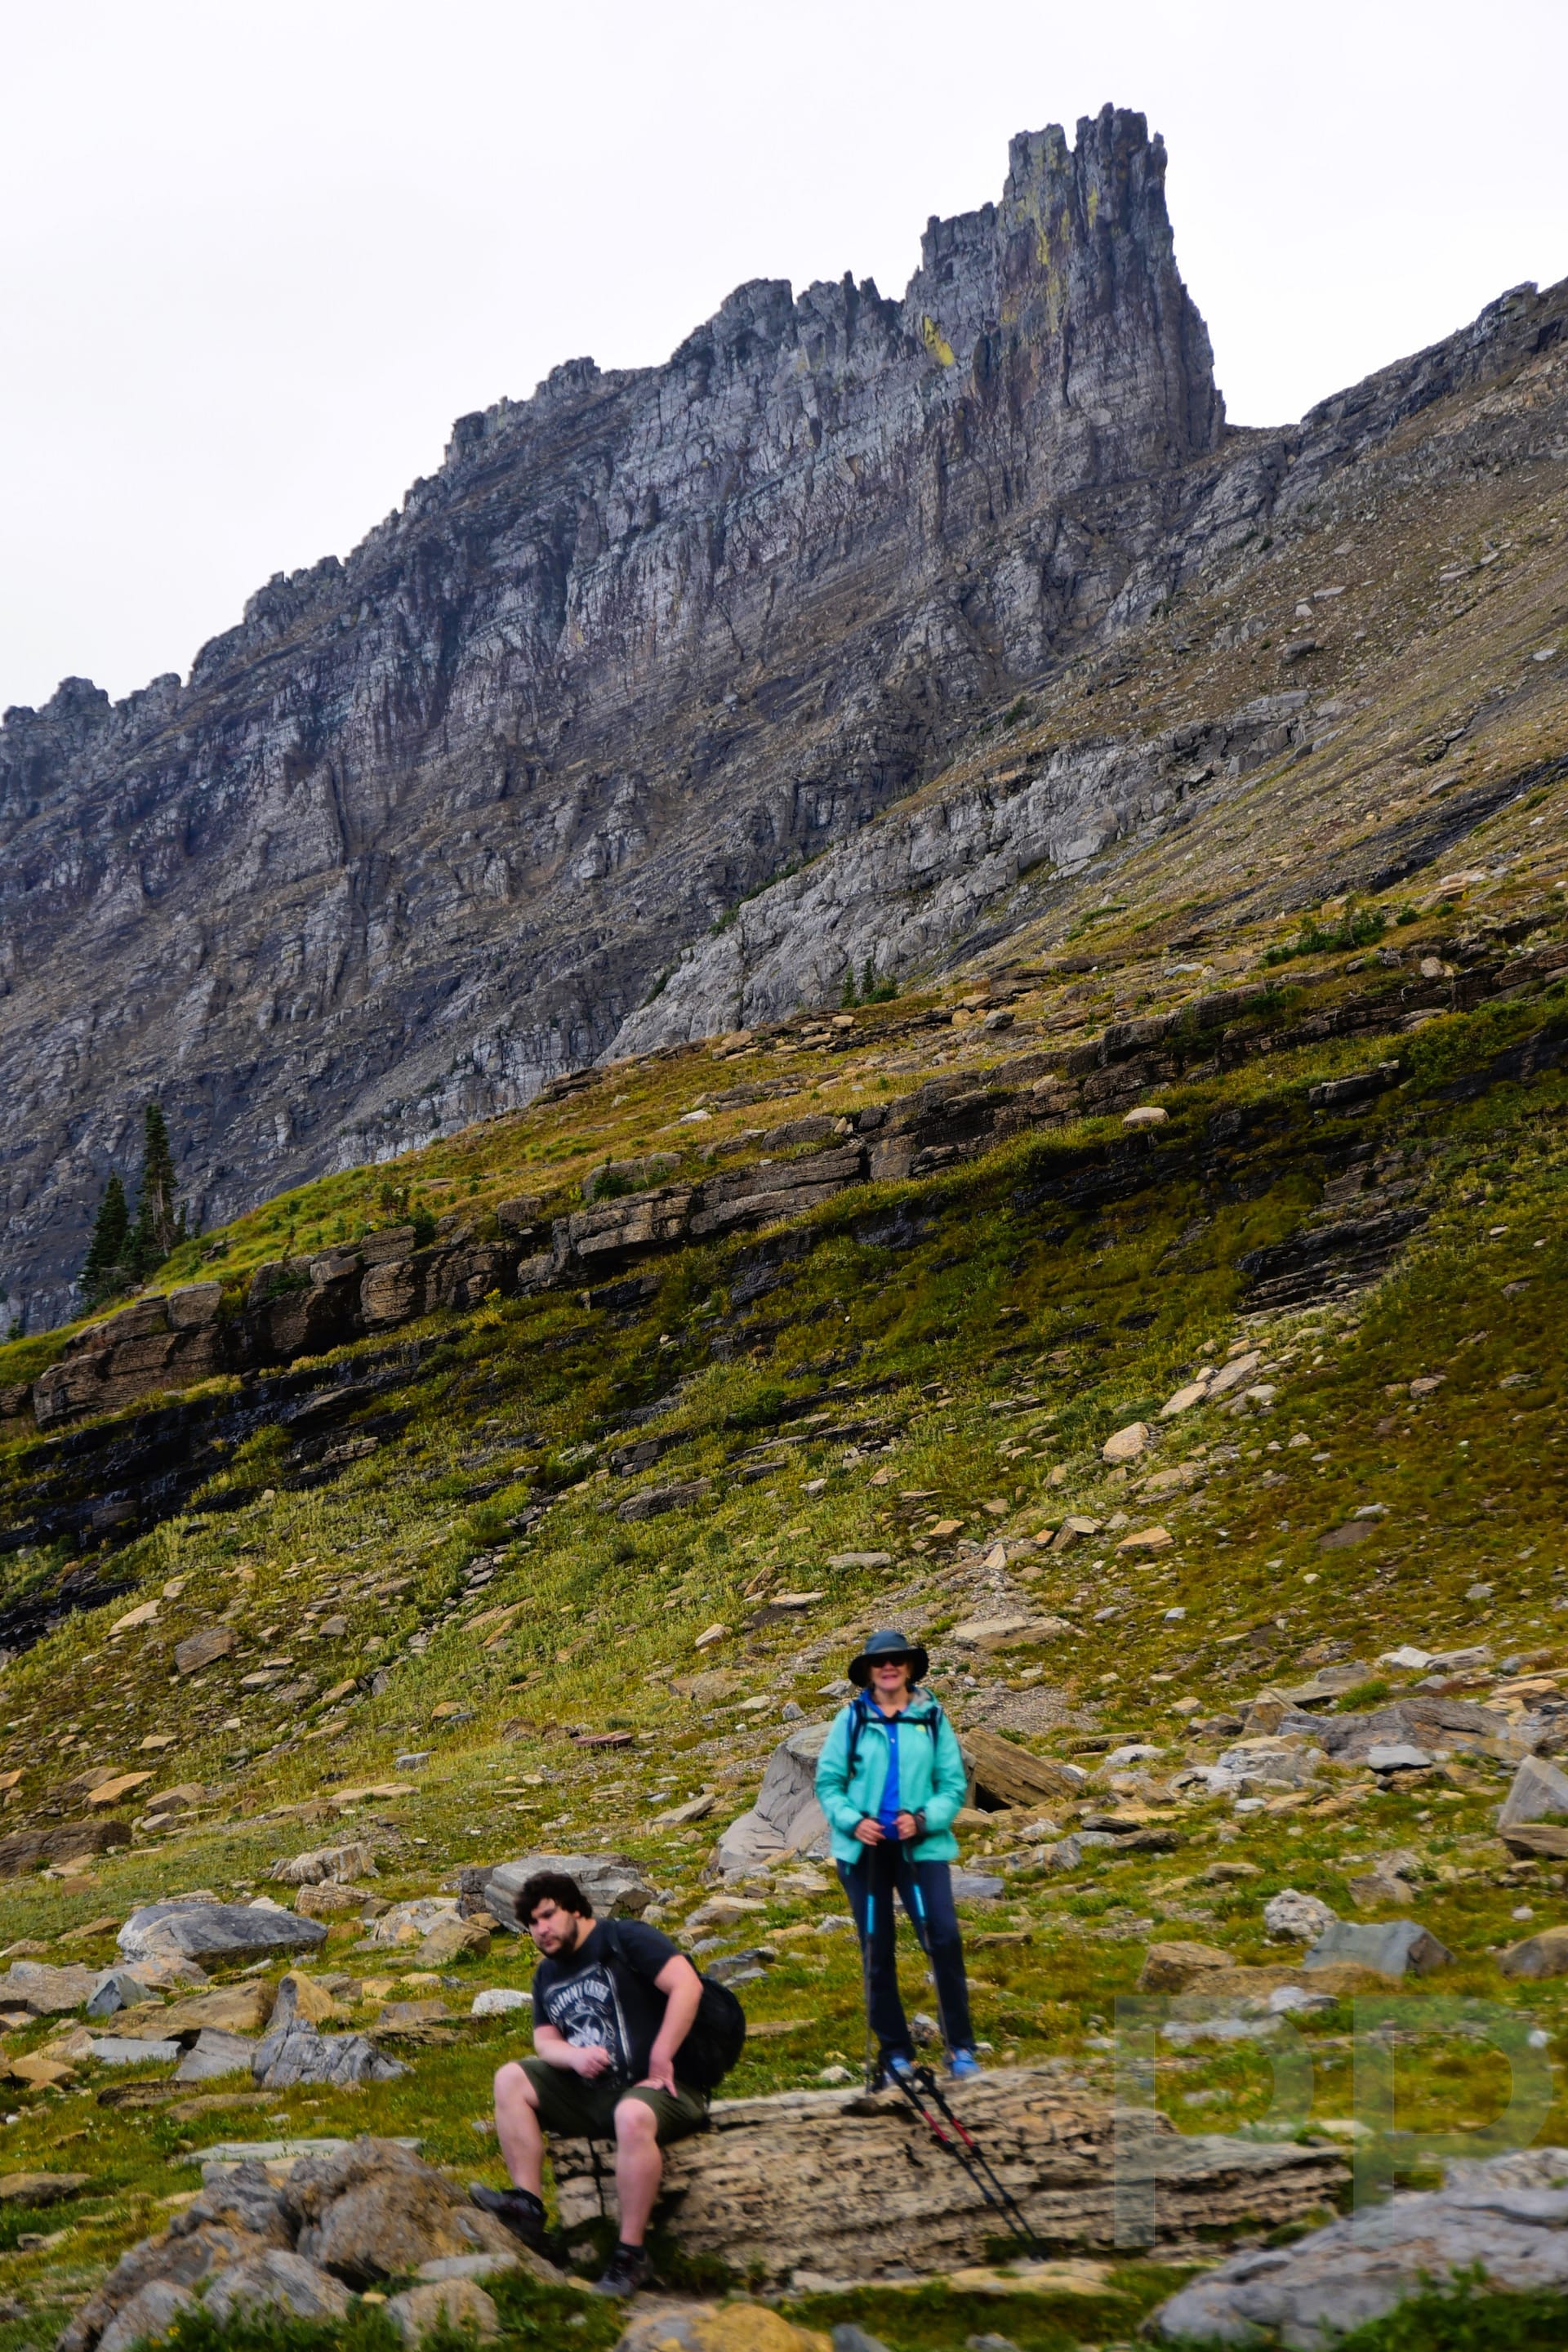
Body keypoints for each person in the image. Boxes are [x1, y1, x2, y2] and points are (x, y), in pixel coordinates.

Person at [476, 1869, 708, 2297]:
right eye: (532, 1924)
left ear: (575, 1909)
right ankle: (527, 2205)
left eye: (548, 1916)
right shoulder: (547, 1973)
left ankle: (630, 2254)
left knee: (632, 2114)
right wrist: (574, 2057)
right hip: (595, 2095)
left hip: (665, 2090)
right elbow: (545, 2039)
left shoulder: (625, 1939)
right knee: (510, 2078)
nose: (541, 1930)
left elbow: (687, 1986)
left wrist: (662, 2053)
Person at [815, 1625, 979, 2085]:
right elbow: (828, 1784)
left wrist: (924, 1818)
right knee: (877, 1948)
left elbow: (952, 1784)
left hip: (919, 1848)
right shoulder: (851, 1719)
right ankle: (894, 2054)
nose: (889, 1667)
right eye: (880, 1661)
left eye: (898, 1660)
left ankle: (961, 2048)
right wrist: (852, 1820)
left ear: (909, 1667)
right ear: (869, 1671)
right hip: (863, 1853)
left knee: (942, 1936)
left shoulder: (931, 1716)